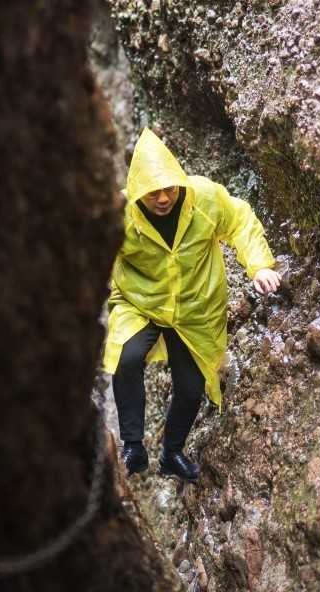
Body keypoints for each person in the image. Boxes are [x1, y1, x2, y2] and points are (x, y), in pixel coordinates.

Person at [102, 128, 281, 482]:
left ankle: (171, 453)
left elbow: (240, 222)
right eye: (154, 193)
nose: (164, 198)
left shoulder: (205, 197)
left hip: (196, 305)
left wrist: (259, 266)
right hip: (141, 300)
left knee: (190, 387)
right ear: (138, 191)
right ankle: (133, 446)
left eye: (169, 188)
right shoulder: (119, 214)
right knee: (127, 355)